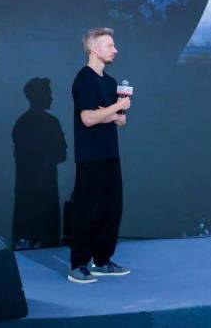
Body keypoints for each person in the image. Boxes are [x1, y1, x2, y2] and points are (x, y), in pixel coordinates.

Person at [68, 28, 131, 283]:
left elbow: (121, 121)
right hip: (90, 156)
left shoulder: (111, 82)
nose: (115, 50)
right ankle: (78, 265)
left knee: (111, 209)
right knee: (87, 210)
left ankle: (102, 261)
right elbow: (87, 118)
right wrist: (114, 109)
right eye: (109, 46)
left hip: (110, 154)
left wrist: (110, 112)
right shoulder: (84, 80)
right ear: (95, 49)